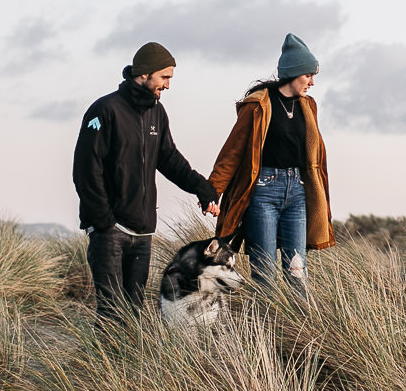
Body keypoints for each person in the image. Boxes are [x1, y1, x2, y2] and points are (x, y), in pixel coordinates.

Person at [73, 41, 220, 319]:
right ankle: (103, 363)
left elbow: (170, 160)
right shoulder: (104, 110)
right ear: (144, 73)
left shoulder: (156, 113)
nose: (167, 85)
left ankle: (124, 364)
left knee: (133, 314)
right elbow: (85, 169)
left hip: (142, 233)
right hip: (110, 231)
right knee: (112, 312)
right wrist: (103, 220)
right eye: (164, 77)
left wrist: (203, 189)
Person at [208, 33, 334, 294]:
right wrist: (212, 191)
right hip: (263, 191)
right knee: (264, 272)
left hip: (298, 191)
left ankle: (297, 331)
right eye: (308, 75)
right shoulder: (257, 105)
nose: (311, 82)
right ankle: (264, 329)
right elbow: (232, 153)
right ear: (293, 72)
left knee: (297, 271)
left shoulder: (308, 106)